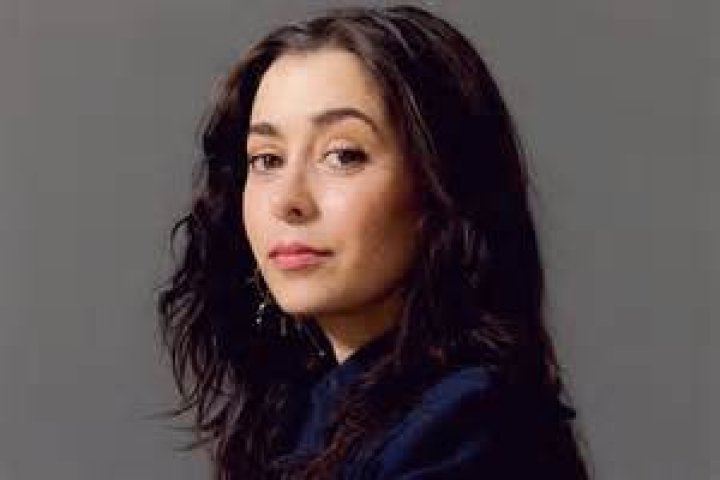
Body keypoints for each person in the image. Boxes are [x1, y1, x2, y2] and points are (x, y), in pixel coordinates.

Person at [157, 5, 590, 479]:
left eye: (343, 155)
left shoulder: (466, 424)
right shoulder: (298, 414)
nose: (288, 200)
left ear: (440, 184)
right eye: (266, 159)